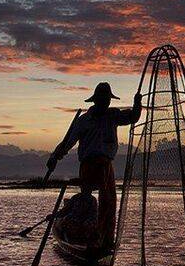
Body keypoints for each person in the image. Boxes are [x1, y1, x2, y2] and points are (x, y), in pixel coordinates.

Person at [49, 82, 142, 249]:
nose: (106, 102)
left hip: (106, 165)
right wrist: (55, 156)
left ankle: (105, 240)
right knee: (86, 198)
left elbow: (133, 117)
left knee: (109, 201)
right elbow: (68, 142)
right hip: (89, 164)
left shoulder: (113, 116)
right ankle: (87, 236)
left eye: (107, 100)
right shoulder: (84, 121)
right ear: (95, 101)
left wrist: (137, 103)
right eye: (103, 99)